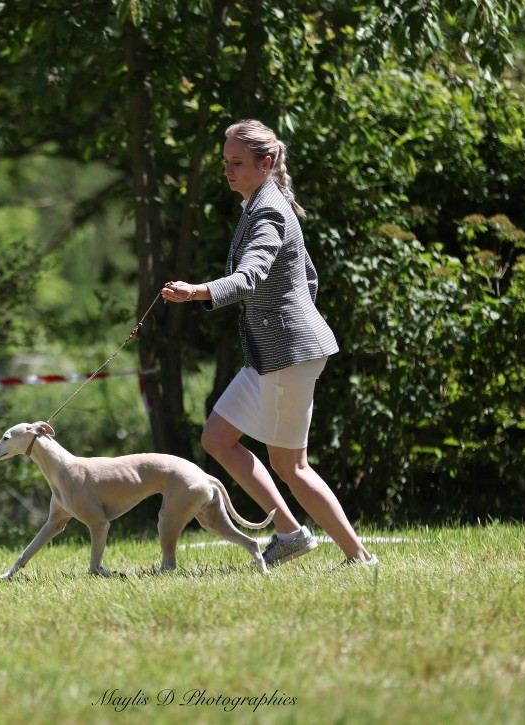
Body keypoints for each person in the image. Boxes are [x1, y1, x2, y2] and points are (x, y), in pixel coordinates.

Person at [161, 119, 378, 568]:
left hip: (288, 356)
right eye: (226, 163)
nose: (228, 171)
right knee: (218, 437)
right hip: (273, 354)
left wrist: (197, 291)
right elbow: (308, 277)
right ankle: (291, 532)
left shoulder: (269, 211)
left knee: (291, 465)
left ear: (266, 162)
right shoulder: (260, 205)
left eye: (237, 163)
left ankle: (359, 558)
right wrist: (297, 318)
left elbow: (251, 277)